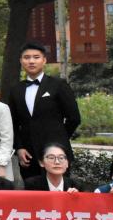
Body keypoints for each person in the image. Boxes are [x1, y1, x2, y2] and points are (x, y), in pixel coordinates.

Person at [7, 41, 81, 180]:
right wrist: (19, 148)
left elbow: (74, 118)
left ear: (44, 60)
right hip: (28, 156)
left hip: (56, 153)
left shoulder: (58, 85)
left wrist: (59, 140)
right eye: (27, 57)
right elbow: (13, 123)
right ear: (21, 61)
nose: (31, 61)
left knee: (59, 190)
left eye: (36, 57)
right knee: (32, 190)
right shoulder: (16, 90)